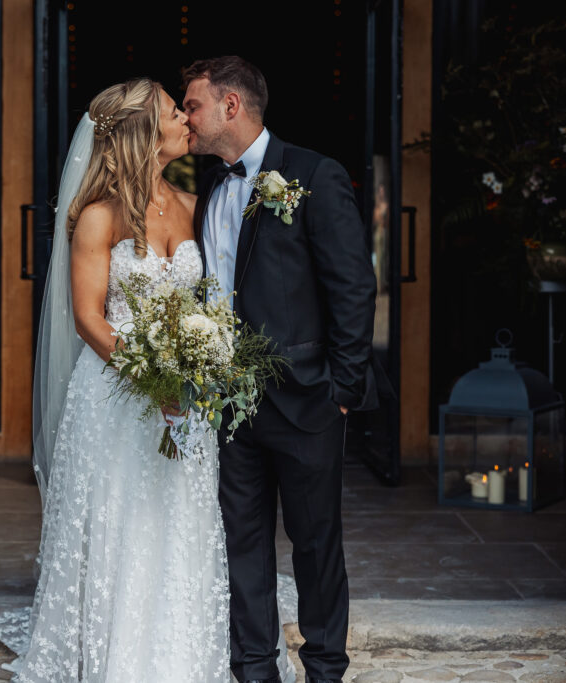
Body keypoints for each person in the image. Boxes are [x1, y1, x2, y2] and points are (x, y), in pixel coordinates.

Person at [13, 77, 231, 682]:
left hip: (183, 400)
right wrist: (153, 378)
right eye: (173, 112)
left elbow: (208, 307)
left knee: (176, 516)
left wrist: (193, 372)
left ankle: (179, 647)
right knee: (121, 520)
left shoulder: (191, 205)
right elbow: (87, 319)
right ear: (143, 131)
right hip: (115, 396)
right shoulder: (98, 216)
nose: (188, 121)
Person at [183, 56, 378, 683]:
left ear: (231, 106)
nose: (187, 118)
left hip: (306, 401)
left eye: (193, 105)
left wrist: (342, 391)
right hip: (228, 405)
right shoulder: (210, 185)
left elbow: (352, 288)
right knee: (242, 546)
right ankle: (254, 671)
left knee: (317, 545)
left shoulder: (315, 175)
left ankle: (324, 669)